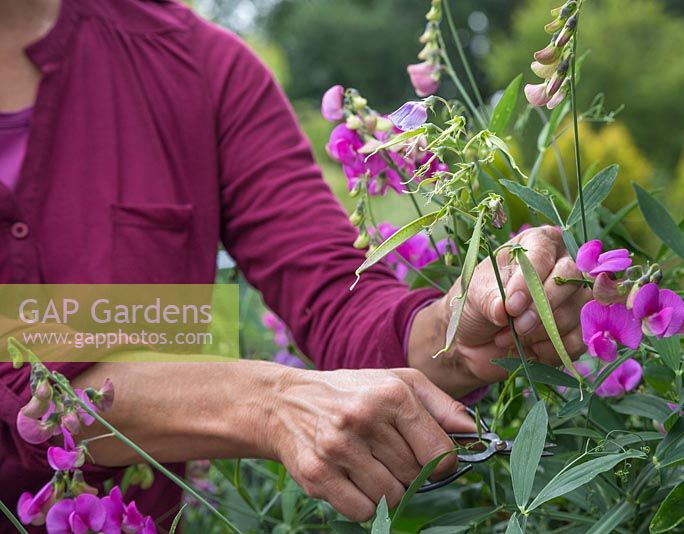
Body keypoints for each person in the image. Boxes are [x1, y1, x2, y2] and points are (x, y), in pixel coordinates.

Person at [0, 0, 589, 526]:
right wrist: (266, 402)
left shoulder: (195, 64)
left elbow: (334, 290)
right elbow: (23, 373)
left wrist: (459, 329)